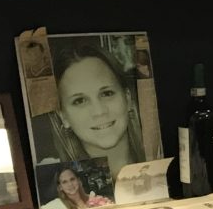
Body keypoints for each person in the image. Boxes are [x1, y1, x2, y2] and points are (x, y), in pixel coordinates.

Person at [45, 44, 145, 183]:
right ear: (63, 116)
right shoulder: (55, 198)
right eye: (79, 101)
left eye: (106, 93)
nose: (99, 111)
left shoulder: (165, 169)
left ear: (127, 98)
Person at [43, 166, 115, 209]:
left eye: (72, 179)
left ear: (78, 180)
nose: (70, 184)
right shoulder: (58, 203)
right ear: (60, 187)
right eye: (65, 182)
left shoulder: (93, 198)